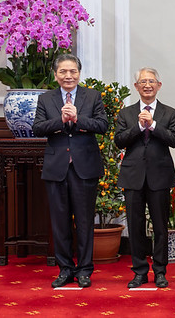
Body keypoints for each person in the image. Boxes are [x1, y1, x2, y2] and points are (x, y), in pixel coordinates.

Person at [32, 53, 108, 289]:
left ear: (79, 73)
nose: (68, 76)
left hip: (85, 167)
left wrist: (78, 119)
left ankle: (85, 270)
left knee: (85, 222)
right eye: (63, 72)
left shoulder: (92, 96)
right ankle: (65, 269)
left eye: (73, 71)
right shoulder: (46, 99)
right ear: (55, 75)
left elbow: (102, 125)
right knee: (60, 223)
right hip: (57, 169)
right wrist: (60, 120)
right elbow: (38, 128)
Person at [114, 67, 175, 289]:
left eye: (152, 81)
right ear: (136, 87)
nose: (147, 85)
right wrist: (138, 126)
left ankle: (160, 271)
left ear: (159, 86)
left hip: (159, 176)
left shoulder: (170, 113)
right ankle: (140, 271)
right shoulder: (126, 113)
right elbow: (120, 141)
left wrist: (152, 125)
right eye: (143, 82)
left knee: (160, 226)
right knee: (135, 226)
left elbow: (174, 140)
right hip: (133, 176)